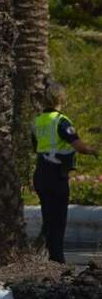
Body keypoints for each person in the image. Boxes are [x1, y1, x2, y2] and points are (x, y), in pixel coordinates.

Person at [31, 81, 98, 263]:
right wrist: (93, 150)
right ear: (61, 98)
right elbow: (78, 146)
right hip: (56, 175)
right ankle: (57, 259)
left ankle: (49, 256)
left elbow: (36, 147)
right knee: (58, 219)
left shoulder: (37, 121)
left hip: (41, 174)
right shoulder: (61, 121)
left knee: (48, 217)